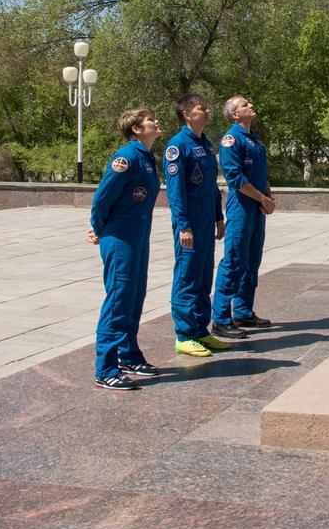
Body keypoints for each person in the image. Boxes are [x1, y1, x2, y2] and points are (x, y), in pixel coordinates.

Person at [87, 107, 163, 390]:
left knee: (134, 297)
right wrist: (99, 228)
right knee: (119, 301)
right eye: (149, 120)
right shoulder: (126, 158)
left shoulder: (146, 158)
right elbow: (102, 198)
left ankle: (128, 355)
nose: (156, 122)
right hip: (120, 238)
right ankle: (105, 369)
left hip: (138, 237)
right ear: (136, 129)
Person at [165, 92, 242, 357]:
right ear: (187, 114)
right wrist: (183, 225)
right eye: (201, 108)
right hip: (190, 222)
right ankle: (184, 334)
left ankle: (200, 331)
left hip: (207, 218)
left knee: (203, 276)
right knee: (187, 277)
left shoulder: (205, 143)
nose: (207, 111)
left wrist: (219, 216)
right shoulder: (178, 146)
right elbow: (175, 192)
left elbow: (211, 186)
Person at [211, 95, 275, 335]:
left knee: (251, 261)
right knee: (234, 261)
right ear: (235, 115)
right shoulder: (231, 140)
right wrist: (262, 199)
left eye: (250, 102)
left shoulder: (254, 140)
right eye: (245, 104)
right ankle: (220, 319)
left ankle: (243, 311)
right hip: (242, 208)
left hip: (258, 208)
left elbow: (262, 174)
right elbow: (235, 178)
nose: (251, 105)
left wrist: (269, 198)